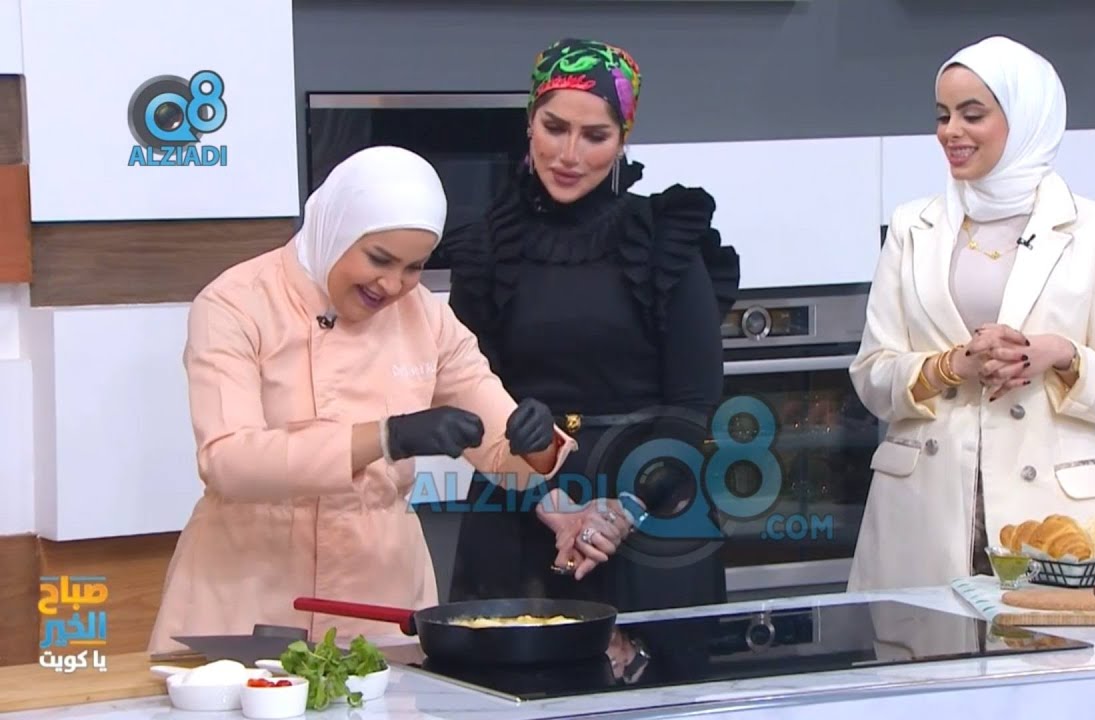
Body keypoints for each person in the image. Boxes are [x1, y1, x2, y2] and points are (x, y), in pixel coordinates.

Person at [148, 146, 582, 655]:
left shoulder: (427, 318)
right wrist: (386, 437)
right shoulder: (236, 303)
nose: (393, 285)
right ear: (336, 228)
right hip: (247, 592)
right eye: (379, 258)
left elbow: (504, 458)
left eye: (414, 267)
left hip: (379, 595)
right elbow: (229, 462)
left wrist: (535, 441)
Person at [440, 37, 741, 613]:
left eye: (595, 136)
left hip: (656, 505)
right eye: (555, 128)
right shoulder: (485, 247)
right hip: (520, 507)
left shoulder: (665, 238)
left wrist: (622, 511)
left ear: (623, 139)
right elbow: (469, 390)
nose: (569, 154)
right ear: (530, 123)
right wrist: (549, 501)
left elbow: (694, 403)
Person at [847, 36, 1095, 592]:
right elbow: (871, 376)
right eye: (942, 116)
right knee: (920, 647)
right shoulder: (911, 226)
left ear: (1026, 117)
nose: (950, 132)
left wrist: (1059, 355)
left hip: (1054, 517)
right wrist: (952, 365)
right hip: (923, 513)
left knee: (1046, 648)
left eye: (972, 115)